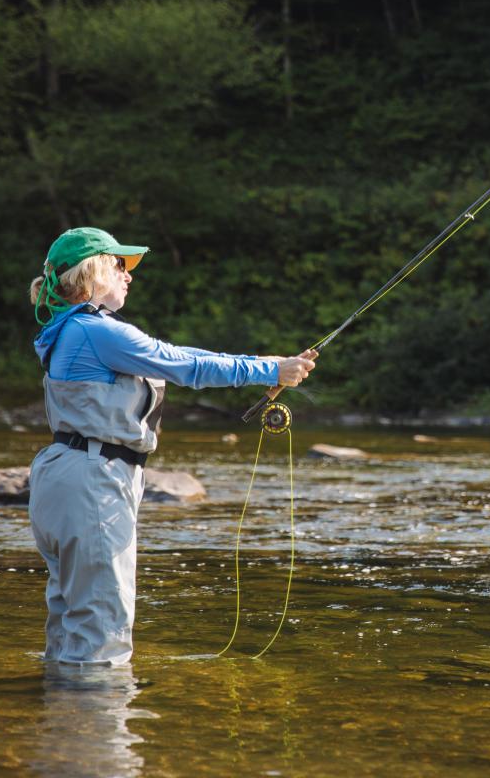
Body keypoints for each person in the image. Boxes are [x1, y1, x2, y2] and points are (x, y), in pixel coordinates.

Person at [26, 226, 314, 665]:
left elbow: (176, 357)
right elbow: (184, 363)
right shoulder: (96, 331)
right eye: (119, 265)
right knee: (102, 628)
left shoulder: (69, 330)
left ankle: (65, 704)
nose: (128, 275)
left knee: (70, 622)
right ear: (92, 272)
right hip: (93, 479)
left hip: (66, 474)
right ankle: (98, 709)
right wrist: (271, 369)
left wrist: (267, 366)